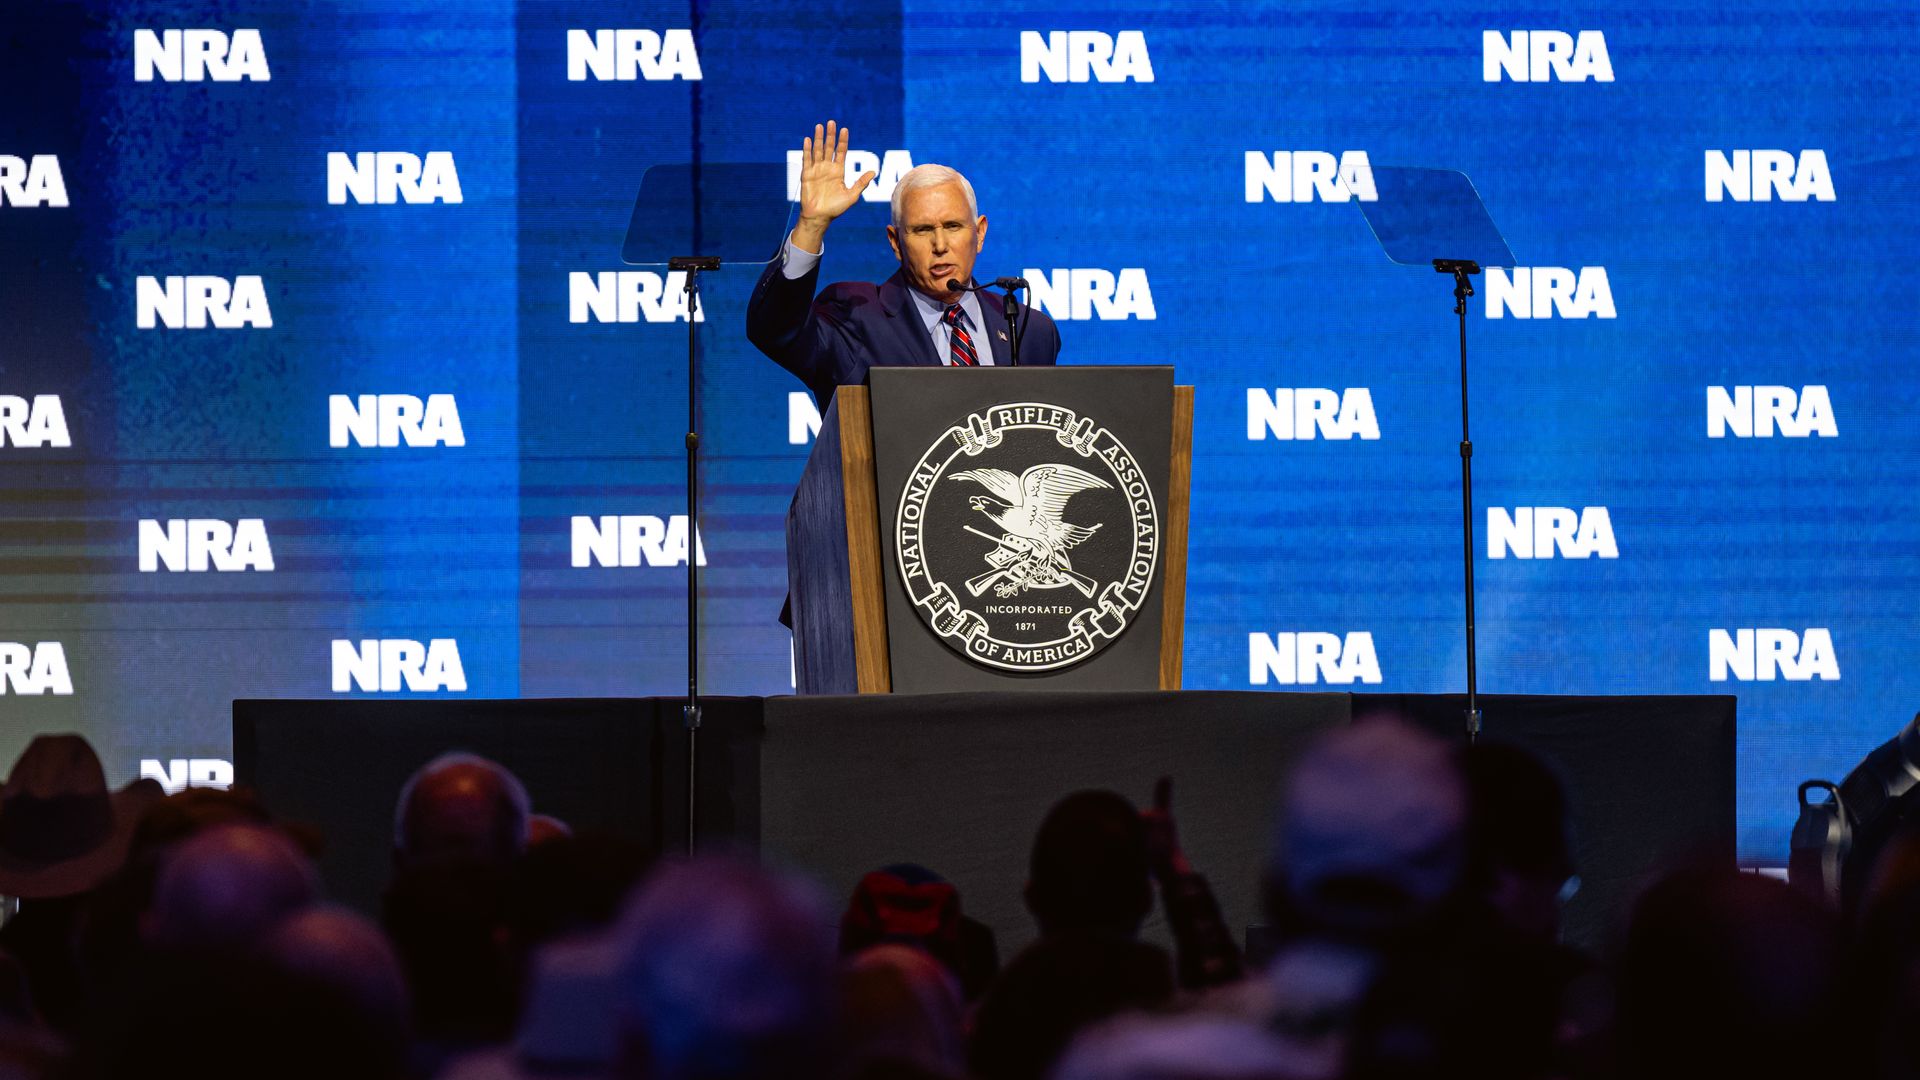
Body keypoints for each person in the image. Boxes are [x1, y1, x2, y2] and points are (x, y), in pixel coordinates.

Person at [745, 121, 1061, 408]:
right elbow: (775, 333)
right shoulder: (854, 316)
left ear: (979, 234)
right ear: (896, 243)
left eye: (952, 227)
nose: (940, 245)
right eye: (922, 230)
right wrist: (811, 226)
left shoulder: (1030, 329)